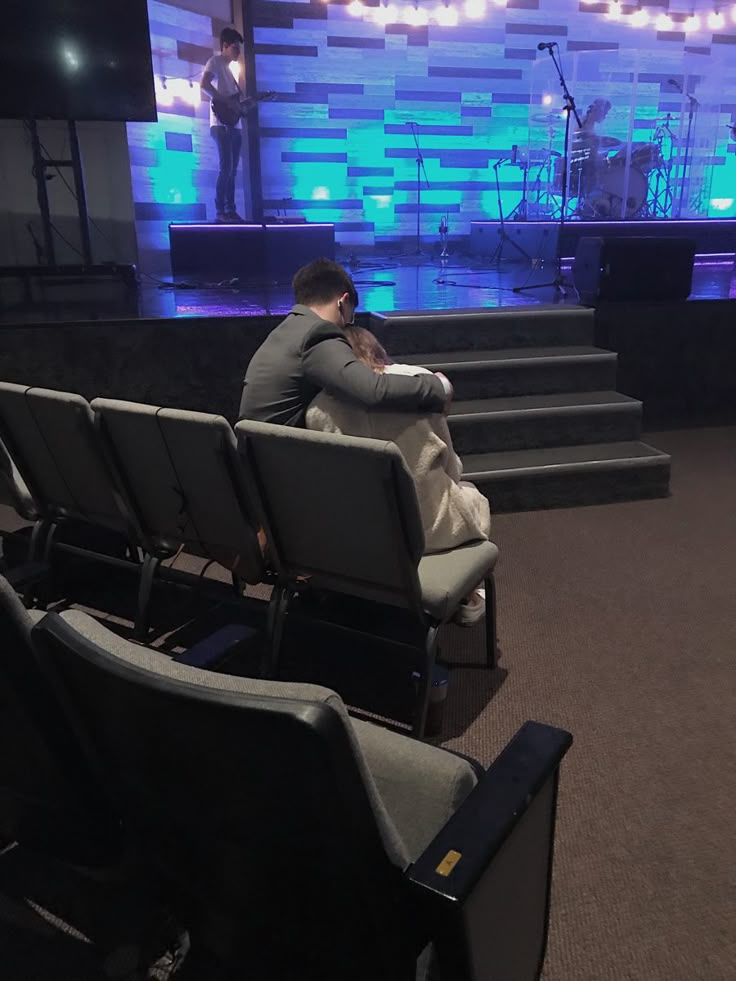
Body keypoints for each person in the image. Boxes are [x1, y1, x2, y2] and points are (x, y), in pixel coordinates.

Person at [306, 326, 490, 626]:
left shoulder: (316, 412)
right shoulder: (418, 403)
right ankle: (470, 594)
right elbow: (451, 469)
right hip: (428, 532)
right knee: (472, 494)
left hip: (357, 537)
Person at [238, 258, 452, 427]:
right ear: (342, 302)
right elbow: (372, 389)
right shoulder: (316, 333)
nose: (349, 326)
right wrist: (436, 386)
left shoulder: (286, 330)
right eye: (351, 317)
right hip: (283, 467)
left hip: (260, 456)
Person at [200, 28, 246, 224]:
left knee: (233, 170)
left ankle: (231, 209)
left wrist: (244, 105)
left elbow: (237, 104)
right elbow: (204, 84)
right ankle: (220, 210)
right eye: (235, 47)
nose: (238, 52)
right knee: (226, 168)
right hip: (220, 124)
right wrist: (227, 102)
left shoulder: (230, 71)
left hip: (235, 126)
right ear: (225, 46)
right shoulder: (215, 62)